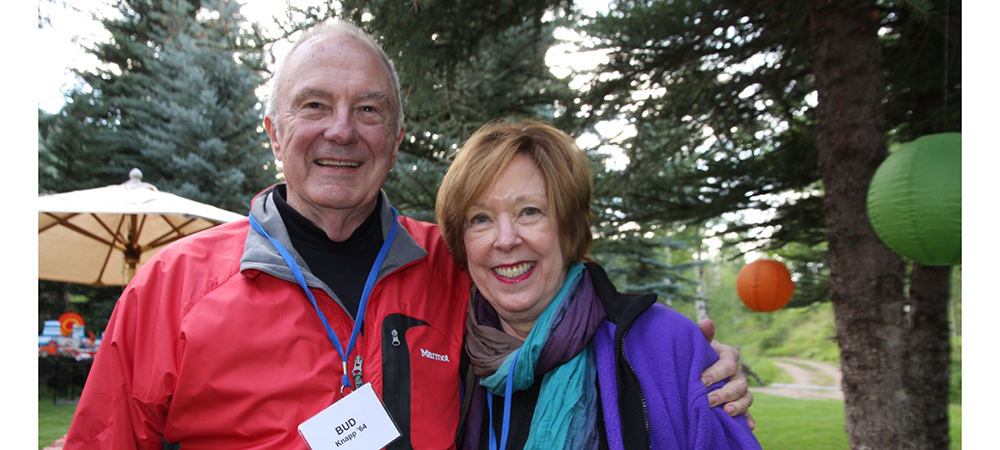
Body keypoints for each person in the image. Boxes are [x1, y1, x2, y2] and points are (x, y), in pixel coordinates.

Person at [64, 21, 750, 450]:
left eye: (368, 110)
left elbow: (566, 316)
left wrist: (694, 369)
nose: (342, 130)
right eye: (314, 106)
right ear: (274, 132)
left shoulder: (455, 265)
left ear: (393, 139)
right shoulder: (176, 285)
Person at [436, 119, 761, 450]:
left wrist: (695, 354)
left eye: (529, 211)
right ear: (460, 243)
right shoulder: (440, 358)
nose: (505, 240)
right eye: (480, 219)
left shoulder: (669, 344)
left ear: (569, 227)